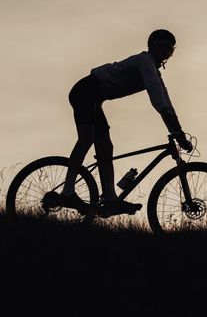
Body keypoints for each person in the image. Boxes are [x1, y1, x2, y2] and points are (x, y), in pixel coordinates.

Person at [60, 29, 193, 215]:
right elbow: (159, 101)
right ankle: (67, 191)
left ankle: (110, 198)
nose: (166, 53)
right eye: (163, 48)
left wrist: (178, 131)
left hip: (94, 98)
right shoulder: (144, 62)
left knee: (106, 147)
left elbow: (167, 103)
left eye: (170, 50)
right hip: (85, 91)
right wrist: (178, 133)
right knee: (87, 138)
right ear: (153, 47)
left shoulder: (154, 72)